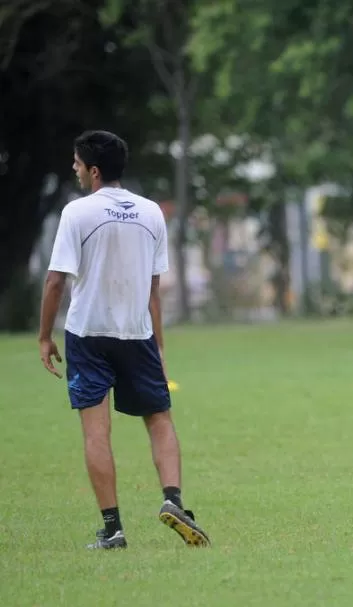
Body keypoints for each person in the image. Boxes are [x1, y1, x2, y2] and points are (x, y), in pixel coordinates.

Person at [37, 130, 210, 549]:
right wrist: (160, 346)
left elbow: (56, 280)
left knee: (97, 431)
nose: (74, 169)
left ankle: (112, 529)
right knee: (160, 419)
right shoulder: (152, 213)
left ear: (93, 171)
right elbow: (153, 292)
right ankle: (174, 500)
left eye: (77, 164)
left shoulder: (77, 213)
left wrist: (44, 336)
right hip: (137, 333)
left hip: (88, 334)